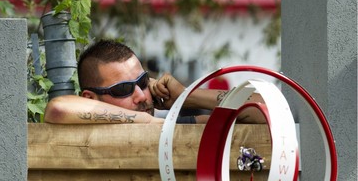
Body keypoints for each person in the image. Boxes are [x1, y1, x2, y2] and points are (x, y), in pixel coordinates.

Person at [44, 39, 264, 124]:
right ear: (90, 98)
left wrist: (187, 97)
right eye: (122, 90)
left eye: (142, 82)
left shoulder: (170, 124)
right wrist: (146, 121)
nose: (141, 95)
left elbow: (264, 110)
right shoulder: (158, 123)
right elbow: (58, 108)